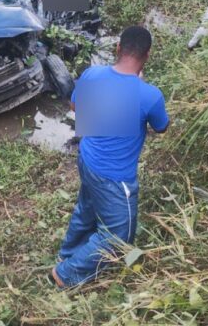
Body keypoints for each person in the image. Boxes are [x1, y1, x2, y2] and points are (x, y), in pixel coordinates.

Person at [51, 26, 169, 288]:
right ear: (147, 56)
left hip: (87, 158)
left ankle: (68, 251)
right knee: (119, 236)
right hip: (115, 178)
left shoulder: (92, 74)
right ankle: (66, 272)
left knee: (88, 209)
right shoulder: (149, 95)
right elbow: (161, 127)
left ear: (118, 48)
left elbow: (74, 107)